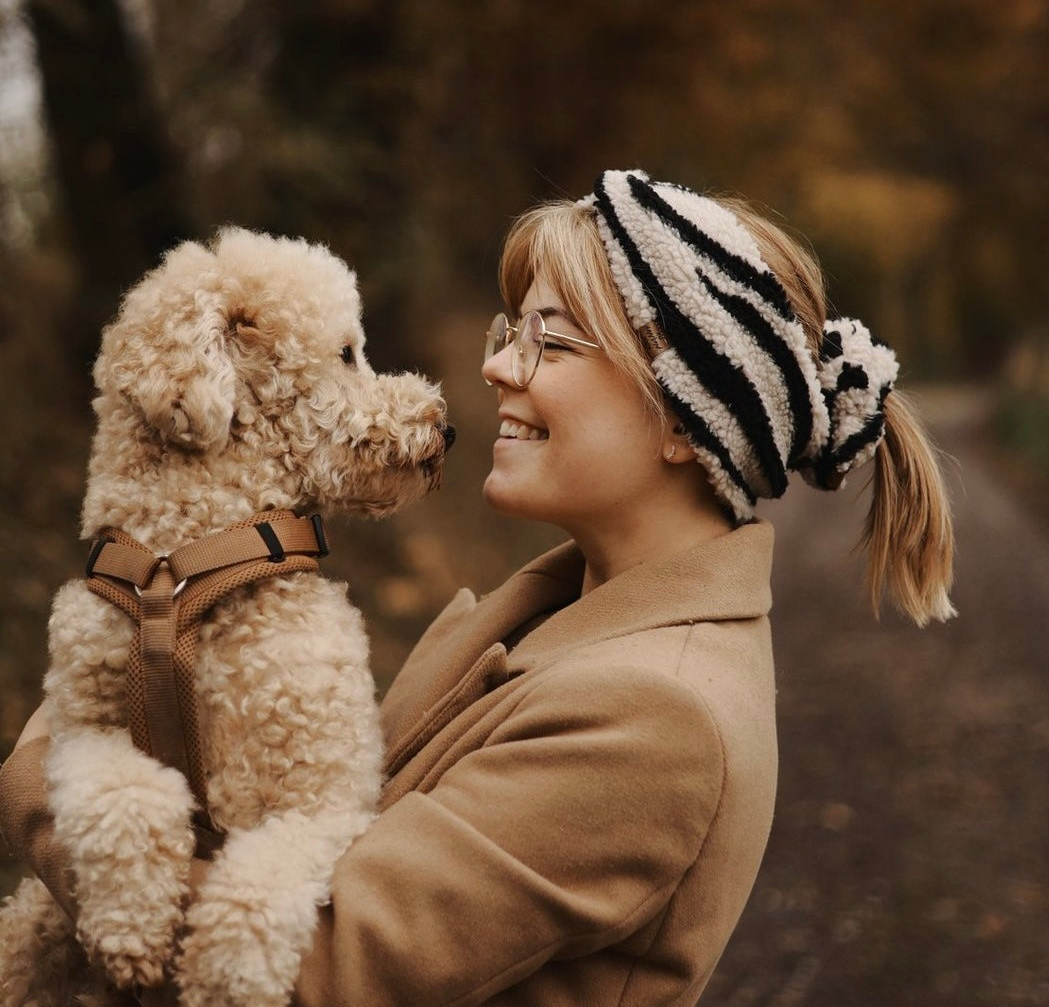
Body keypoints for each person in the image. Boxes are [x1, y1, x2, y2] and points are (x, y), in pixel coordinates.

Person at [0, 169, 955, 1006]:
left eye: (552, 340)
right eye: (510, 330)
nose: (496, 364)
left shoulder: (654, 716)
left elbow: (306, 974)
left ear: (684, 421)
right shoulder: (564, 608)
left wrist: (52, 759)